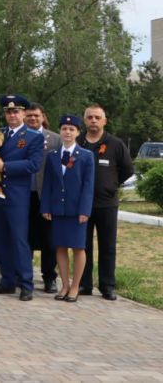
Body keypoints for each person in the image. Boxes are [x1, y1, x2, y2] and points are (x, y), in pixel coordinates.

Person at [0, 95, 44, 301]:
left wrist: (6, 167)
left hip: (17, 195)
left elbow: (33, 165)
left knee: (19, 240)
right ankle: (7, 280)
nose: (12, 115)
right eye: (9, 111)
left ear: (23, 113)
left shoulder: (33, 136)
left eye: (16, 111)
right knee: (0, 239)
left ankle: (26, 283)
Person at [77, 104, 133, 301]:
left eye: (97, 117)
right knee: (82, 246)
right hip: (81, 205)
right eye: (90, 117)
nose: (93, 120)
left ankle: (107, 285)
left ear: (104, 121)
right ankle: (84, 284)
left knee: (107, 246)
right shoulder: (78, 142)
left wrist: (111, 185)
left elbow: (128, 170)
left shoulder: (116, 144)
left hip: (107, 204)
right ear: (85, 120)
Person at [41, 114, 95, 303]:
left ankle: (74, 286)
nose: (67, 132)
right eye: (64, 129)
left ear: (78, 132)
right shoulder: (53, 156)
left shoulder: (86, 156)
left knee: (79, 248)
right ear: (60, 131)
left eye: (72, 129)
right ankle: (64, 284)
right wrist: (46, 206)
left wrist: (85, 210)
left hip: (76, 210)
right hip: (57, 209)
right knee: (60, 247)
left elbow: (88, 186)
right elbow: (47, 184)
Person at [25, 102, 61, 294]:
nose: (32, 118)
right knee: (25, 238)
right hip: (23, 196)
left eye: (36, 115)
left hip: (46, 197)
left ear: (43, 117)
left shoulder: (55, 139)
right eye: (29, 115)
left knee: (49, 240)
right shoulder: (19, 137)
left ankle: (49, 278)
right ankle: (25, 276)